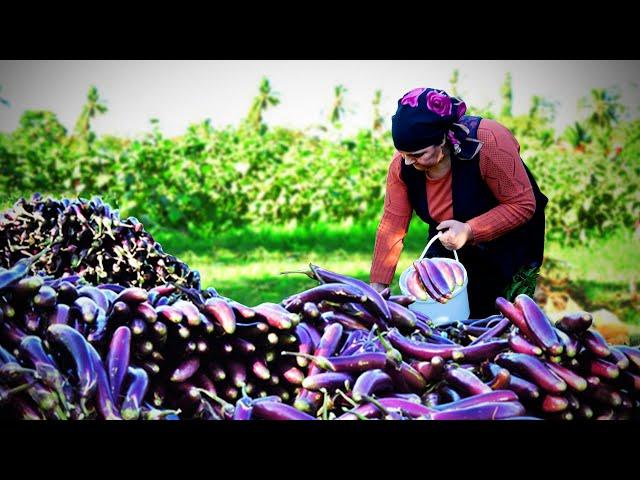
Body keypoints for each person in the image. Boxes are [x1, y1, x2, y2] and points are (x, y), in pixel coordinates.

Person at [369, 87, 548, 317]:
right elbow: (393, 224)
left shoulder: (489, 141)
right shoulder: (403, 165)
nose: (409, 161)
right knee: (439, 315)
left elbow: (522, 204)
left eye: (418, 154)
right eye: (403, 153)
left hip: (510, 240)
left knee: (497, 320)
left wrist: (470, 230)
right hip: (449, 237)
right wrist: (378, 285)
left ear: (442, 138)